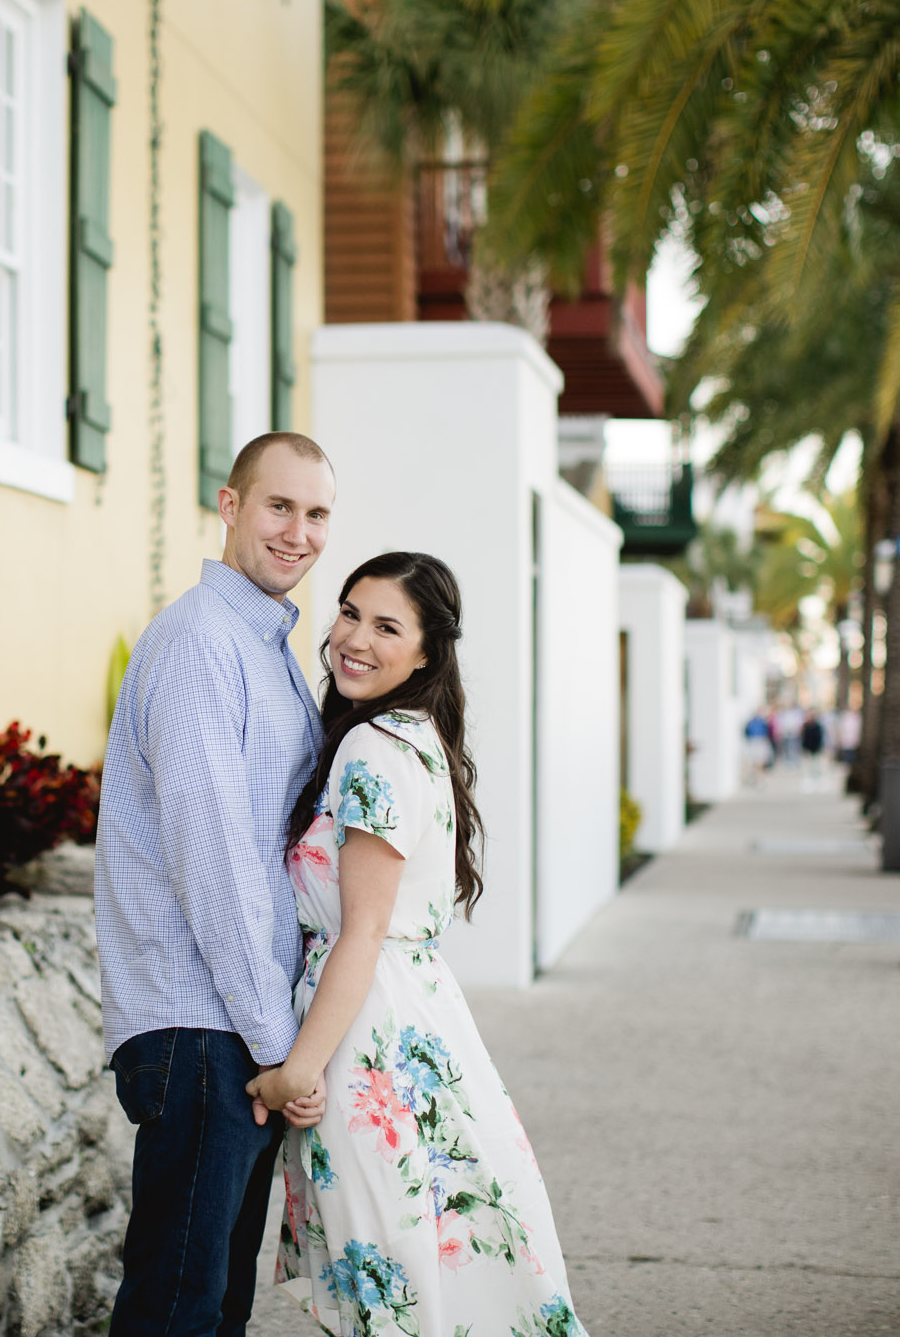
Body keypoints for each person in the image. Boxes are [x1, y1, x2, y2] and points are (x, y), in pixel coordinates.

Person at [247, 552, 590, 1337]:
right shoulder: (412, 734)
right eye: (349, 612)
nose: (354, 639)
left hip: (366, 1039)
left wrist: (295, 1069)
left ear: (428, 652)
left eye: (387, 625)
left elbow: (362, 930)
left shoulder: (373, 748)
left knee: (391, 1281)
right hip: (411, 1018)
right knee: (432, 1270)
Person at [94, 431, 338, 1336]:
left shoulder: (263, 643)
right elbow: (218, 861)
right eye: (280, 506)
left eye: (317, 515)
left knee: (214, 1307)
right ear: (231, 505)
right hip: (207, 1028)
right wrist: (282, 1046)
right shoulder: (203, 643)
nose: (299, 532)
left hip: (235, 1023)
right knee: (177, 1310)